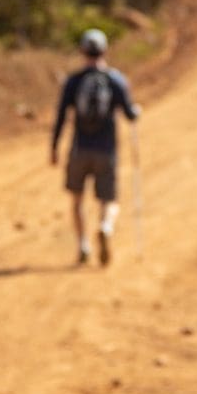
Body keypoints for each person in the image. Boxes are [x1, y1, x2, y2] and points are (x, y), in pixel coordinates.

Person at [51, 28, 140, 266]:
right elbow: (130, 114)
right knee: (108, 200)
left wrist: (54, 147)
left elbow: (61, 115)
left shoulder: (74, 81)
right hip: (107, 150)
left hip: (79, 149)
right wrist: (135, 113)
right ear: (105, 51)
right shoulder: (115, 80)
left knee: (77, 199)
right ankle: (105, 226)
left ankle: (83, 245)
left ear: (82, 51)